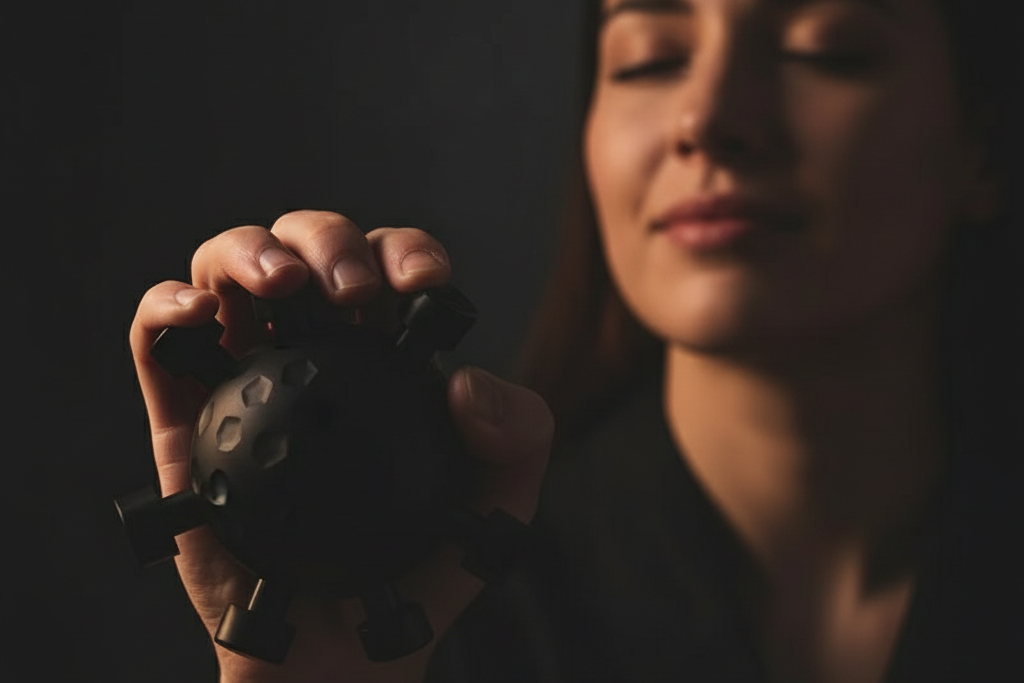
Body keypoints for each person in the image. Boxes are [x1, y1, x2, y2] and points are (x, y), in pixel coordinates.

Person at [129, 0, 1020, 681]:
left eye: (824, 48)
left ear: (981, 149)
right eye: (650, 60)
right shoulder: (445, 603)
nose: (706, 117)